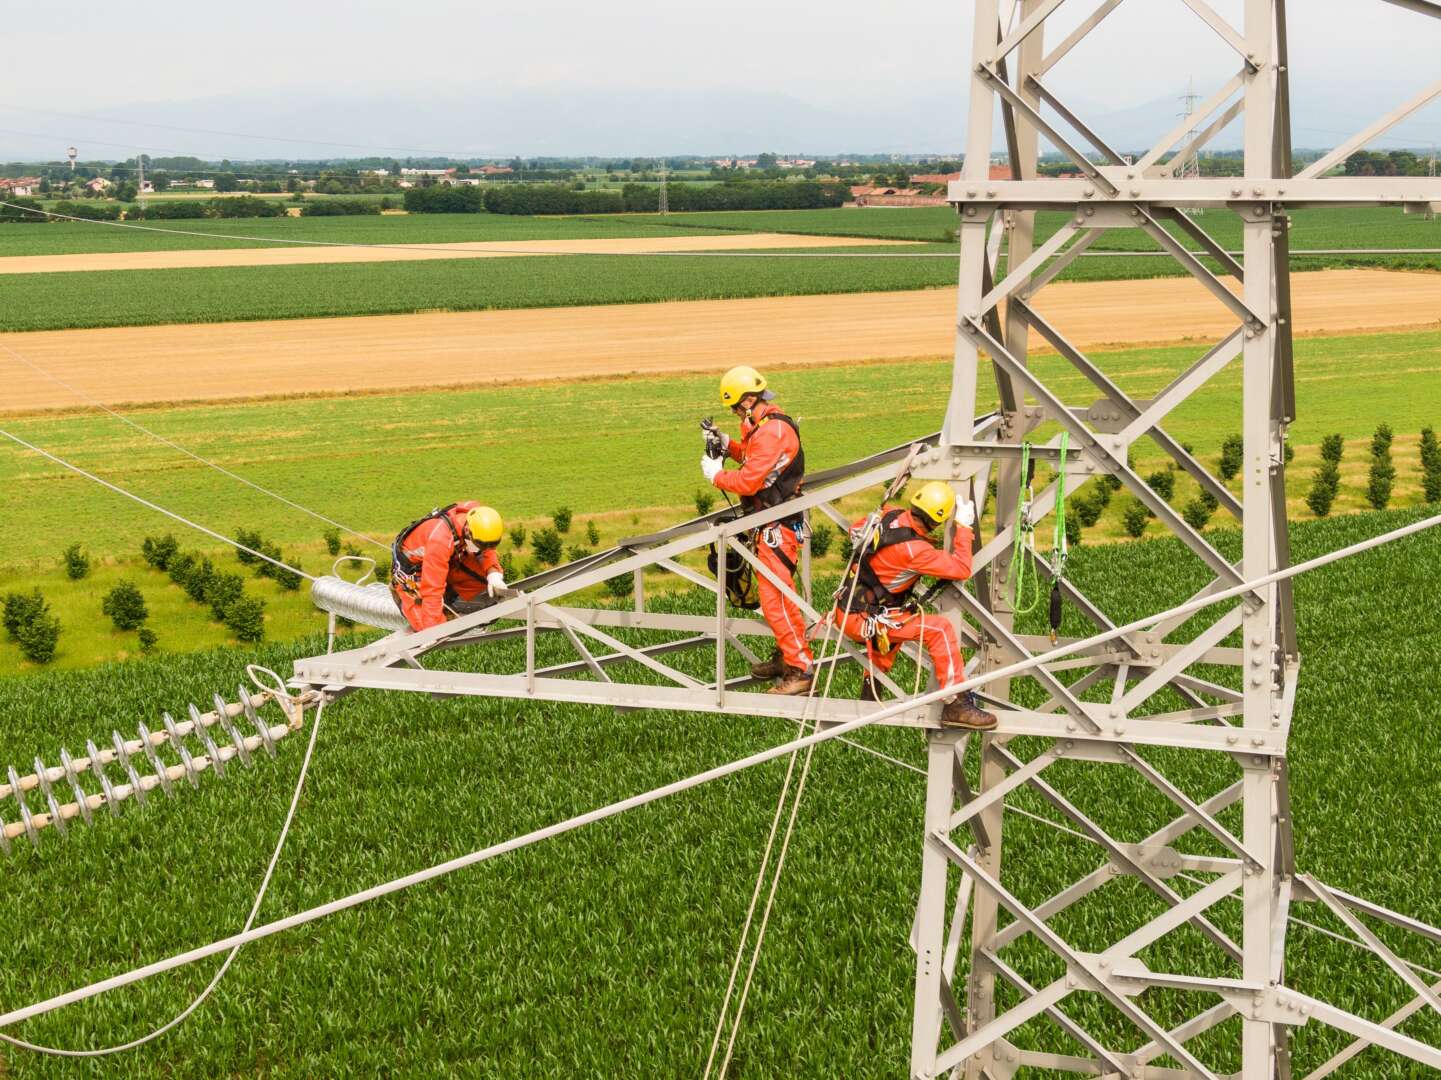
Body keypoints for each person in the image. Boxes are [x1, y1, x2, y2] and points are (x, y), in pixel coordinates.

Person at [832, 481, 997, 730]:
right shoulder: (916, 550)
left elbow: (856, 529)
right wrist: (963, 528)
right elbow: (961, 568)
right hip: (863, 619)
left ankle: (872, 689)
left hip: (850, 608)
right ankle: (956, 701)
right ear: (937, 520)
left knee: (897, 620)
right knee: (939, 629)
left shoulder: (890, 514)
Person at [701, 365, 815, 696]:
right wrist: (727, 444)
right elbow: (754, 459)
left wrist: (716, 476)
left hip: (777, 524)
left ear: (750, 399)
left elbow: (750, 479)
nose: (737, 412)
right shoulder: (763, 426)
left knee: (774, 598)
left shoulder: (771, 432)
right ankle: (788, 655)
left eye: (737, 406)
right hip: (772, 521)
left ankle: (801, 668)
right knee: (778, 596)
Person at [390, 501, 509, 632]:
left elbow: (486, 549)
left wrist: (493, 573)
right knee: (427, 626)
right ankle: (401, 597)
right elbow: (432, 588)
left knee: (483, 579)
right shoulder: (440, 541)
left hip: (449, 556)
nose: (482, 549)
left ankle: (449, 598)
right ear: (467, 531)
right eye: (479, 544)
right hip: (415, 570)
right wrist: (431, 631)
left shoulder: (477, 517)